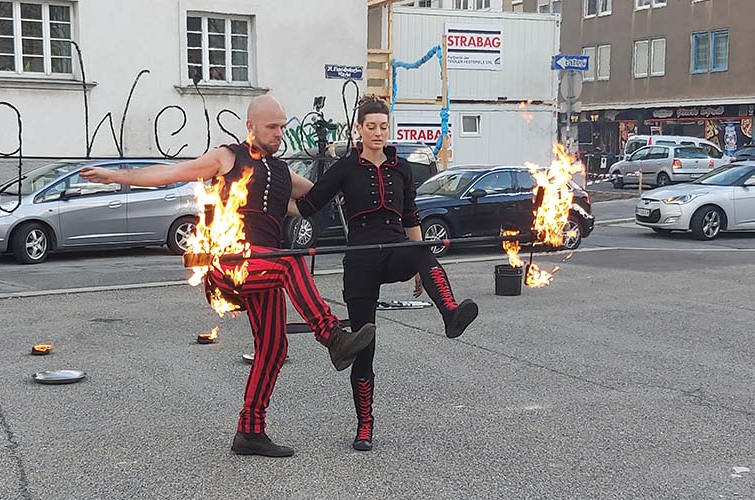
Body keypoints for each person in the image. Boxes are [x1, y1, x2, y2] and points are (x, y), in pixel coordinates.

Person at [80, 95, 375, 458]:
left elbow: (325, 194)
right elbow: (172, 173)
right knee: (290, 261)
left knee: (274, 347)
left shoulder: (283, 173)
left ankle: (250, 432)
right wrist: (116, 176)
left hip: (264, 268)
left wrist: (369, 176)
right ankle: (331, 335)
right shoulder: (227, 157)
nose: (279, 133)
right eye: (272, 127)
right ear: (250, 126)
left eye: (283, 126)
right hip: (229, 263)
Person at [292, 96, 479, 452]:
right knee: (365, 347)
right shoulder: (345, 168)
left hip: (395, 247)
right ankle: (365, 426)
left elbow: (411, 218)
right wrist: (263, 206)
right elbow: (308, 205)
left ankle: (451, 314)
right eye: (371, 126)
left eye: (383, 126)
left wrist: (423, 267)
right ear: (359, 129)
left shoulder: (402, 168)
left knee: (422, 248)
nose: (378, 132)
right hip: (361, 257)